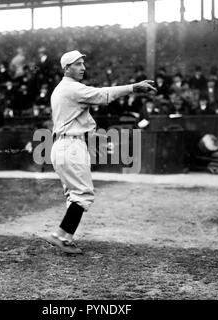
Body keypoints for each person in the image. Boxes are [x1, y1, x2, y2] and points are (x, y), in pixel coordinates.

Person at [44, 50, 156, 254]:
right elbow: (103, 95)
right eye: (77, 64)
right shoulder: (72, 89)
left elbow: (79, 121)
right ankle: (61, 235)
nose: (83, 68)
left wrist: (97, 139)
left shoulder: (59, 90)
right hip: (71, 146)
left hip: (63, 145)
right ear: (66, 68)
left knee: (73, 194)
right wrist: (133, 87)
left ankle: (65, 237)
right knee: (83, 194)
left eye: (82, 64)